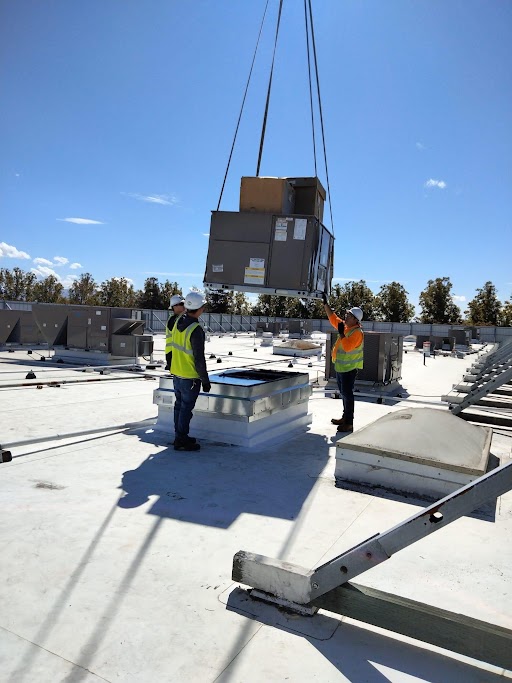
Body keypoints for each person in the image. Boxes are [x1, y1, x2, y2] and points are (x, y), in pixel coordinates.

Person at [168, 291, 211, 451]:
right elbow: (199, 359)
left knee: (179, 406)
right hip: (189, 377)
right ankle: (181, 439)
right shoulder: (195, 329)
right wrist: (205, 380)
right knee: (186, 408)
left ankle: (178, 436)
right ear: (199, 309)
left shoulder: (178, 321)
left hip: (177, 373)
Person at [322, 293, 364, 433]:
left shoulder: (357, 333)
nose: (346, 317)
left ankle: (349, 422)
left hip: (349, 369)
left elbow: (347, 347)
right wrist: (325, 304)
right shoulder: (347, 328)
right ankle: (345, 417)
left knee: (347, 394)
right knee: (344, 393)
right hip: (341, 367)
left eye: (348, 315)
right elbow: (333, 318)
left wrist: (341, 334)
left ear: (355, 320)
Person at [165, 294, 185, 370]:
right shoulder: (174, 320)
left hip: (175, 352)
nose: (184, 306)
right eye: (181, 304)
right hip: (173, 353)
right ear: (174, 306)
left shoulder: (176, 318)